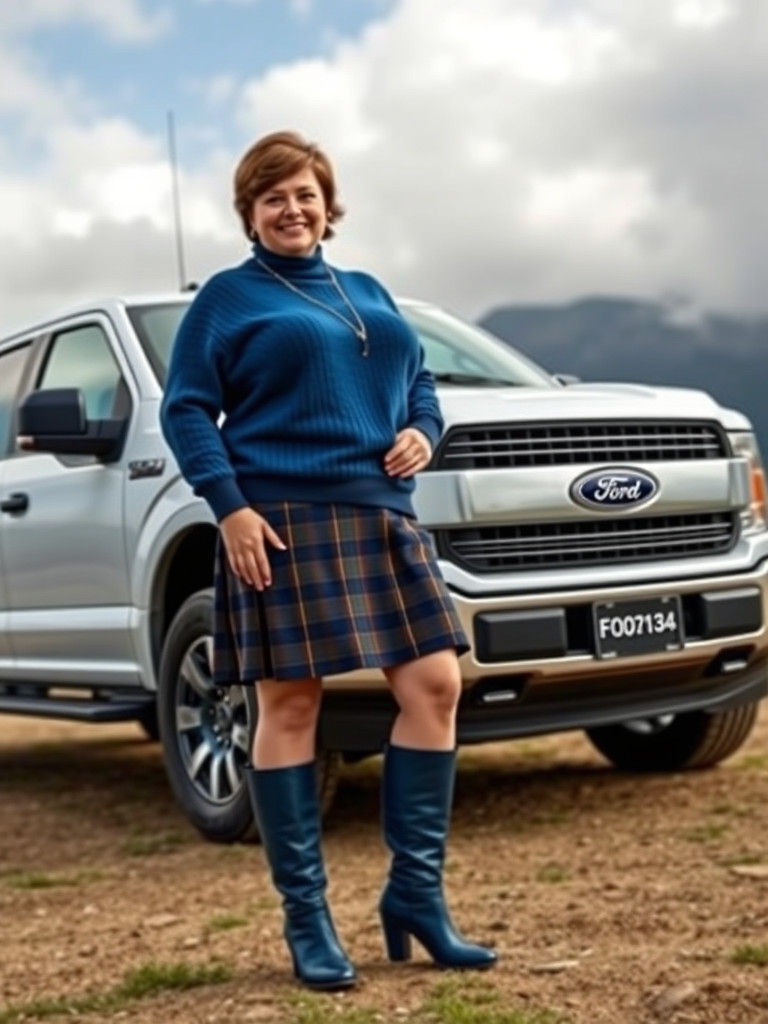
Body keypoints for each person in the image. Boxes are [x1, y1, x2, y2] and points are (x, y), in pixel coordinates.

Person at [159, 130, 497, 990]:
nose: (292, 208)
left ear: (327, 203)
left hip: (381, 515)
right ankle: (307, 920)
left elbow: (419, 382)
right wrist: (229, 509)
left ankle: (415, 898)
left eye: (305, 193)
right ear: (250, 212)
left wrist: (425, 429)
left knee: (435, 687)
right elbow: (187, 411)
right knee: (292, 706)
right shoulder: (227, 301)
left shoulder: (366, 288)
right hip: (279, 518)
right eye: (272, 197)